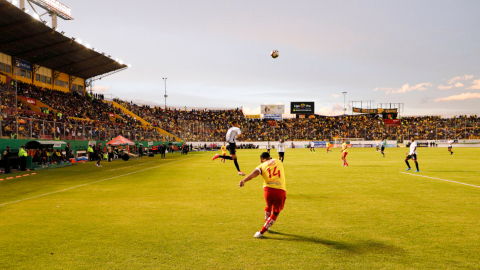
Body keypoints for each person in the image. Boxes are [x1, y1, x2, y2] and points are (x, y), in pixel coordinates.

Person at [239, 152, 286, 238]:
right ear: (270, 157)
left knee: (268, 205)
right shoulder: (278, 161)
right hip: (280, 190)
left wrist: (244, 180)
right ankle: (261, 232)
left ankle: (266, 224)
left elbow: (253, 174)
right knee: (275, 212)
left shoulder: (261, 166)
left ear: (262, 160)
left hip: (268, 190)